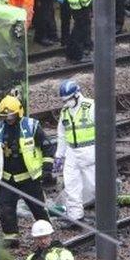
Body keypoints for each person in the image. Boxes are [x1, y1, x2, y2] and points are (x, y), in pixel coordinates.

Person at [0, 95, 54, 248]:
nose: (8, 119)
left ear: (19, 112)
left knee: (38, 208)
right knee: (5, 207)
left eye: (11, 115)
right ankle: (11, 237)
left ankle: (46, 235)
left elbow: (47, 147)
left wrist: (47, 169)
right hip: (7, 178)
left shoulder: (31, 126)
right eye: (5, 116)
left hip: (29, 178)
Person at [53, 79, 95, 226]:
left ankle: (107, 213)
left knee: (94, 185)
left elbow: (103, 129)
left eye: (69, 99)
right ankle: (75, 216)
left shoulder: (90, 106)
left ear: (77, 94)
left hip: (90, 150)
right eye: (64, 100)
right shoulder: (65, 112)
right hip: (72, 151)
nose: (67, 102)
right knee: (71, 185)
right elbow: (62, 135)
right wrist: (59, 156)